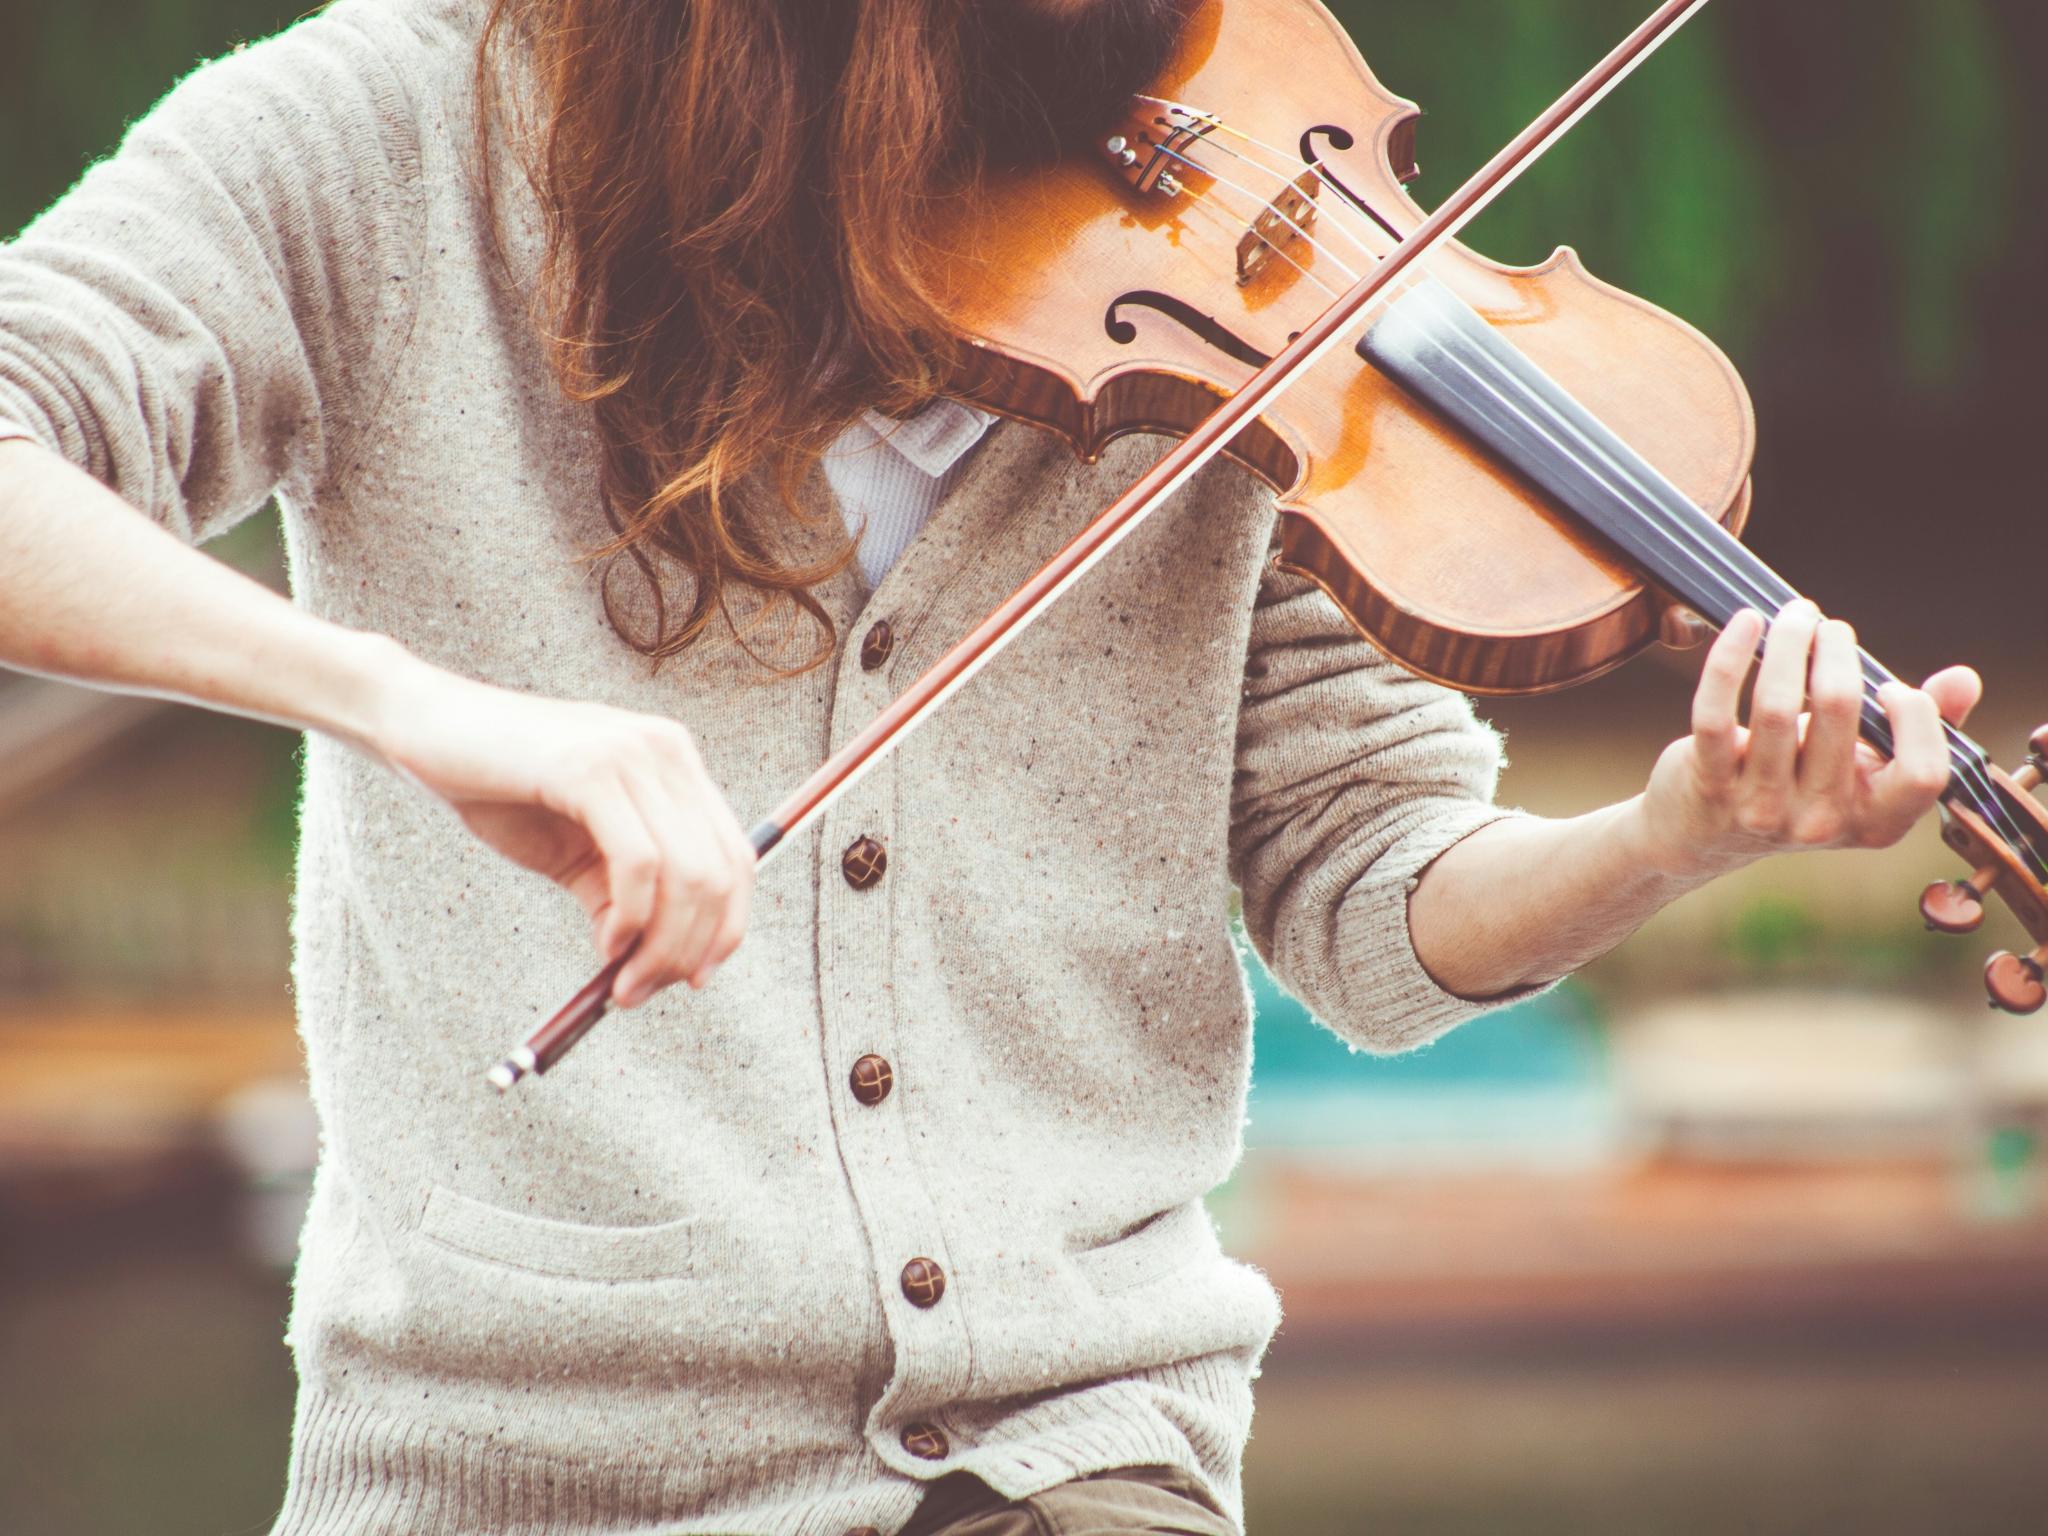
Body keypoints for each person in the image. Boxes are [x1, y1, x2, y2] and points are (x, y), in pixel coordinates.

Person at [0, 1, 1977, 1532]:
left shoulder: (1218, 271)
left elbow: (1371, 898)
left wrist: (1669, 829)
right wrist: (412, 705)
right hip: (517, 1460)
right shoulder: (390, 133)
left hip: (1069, 1451)